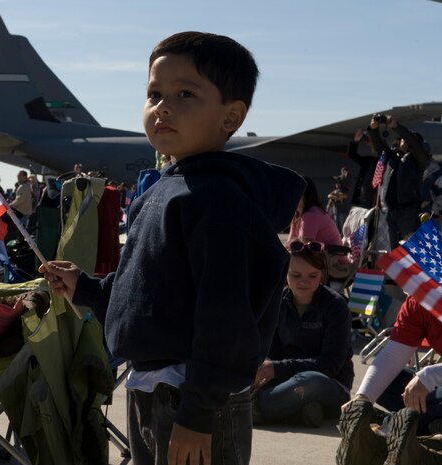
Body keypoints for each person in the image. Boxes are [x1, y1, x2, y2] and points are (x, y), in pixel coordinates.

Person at [40, 31, 304, 465]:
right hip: (152, 389)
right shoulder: (161, 190)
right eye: (154, 93)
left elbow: (226, 320)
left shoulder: (216, 200)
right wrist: (83, 288)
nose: (163, 105)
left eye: (185, 93)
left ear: (231, 117)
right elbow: (148, 297)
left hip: (194, 400)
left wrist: (198, 415)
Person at [336, 258, 442, 464]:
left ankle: (387, 431)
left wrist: (429, 376)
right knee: (387, 382)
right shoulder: (417, 300)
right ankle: (428, 426)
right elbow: (393, 354)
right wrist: (362, 399)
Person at [251, 239, 353, 428]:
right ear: (284, 273)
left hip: (329, 384)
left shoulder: (336, 306)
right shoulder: (277, 302)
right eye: (295, 275)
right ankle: (298, 411)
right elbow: (269, 352)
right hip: (285, 383)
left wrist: (276, 368)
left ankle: (254, 408)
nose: (304, 282)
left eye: (312, 275)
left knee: (311, 381)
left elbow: (330, 365)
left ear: (322, 274)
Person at [368, 114, 431, 249]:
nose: (403, 141)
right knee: (394, 249)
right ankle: (395, 271)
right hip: (391, 210)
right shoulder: (393, 157)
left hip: (408, 211)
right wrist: (373, 129)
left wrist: (397, 127)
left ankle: (413, 270)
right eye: (402, 139)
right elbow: (379, 146)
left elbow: (414, 144)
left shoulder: (419, 159)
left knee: (411, 248)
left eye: (406, 139)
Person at [287, 176, 343, 246]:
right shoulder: (297, 215)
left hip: (331, 255)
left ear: (307, 194)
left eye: (296, 193)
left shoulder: (310, 215)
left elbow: (304, 249)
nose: (291, 197)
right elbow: (289, 244)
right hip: (321, 255)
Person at [347, 129, 379, 208]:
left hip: (375, 202)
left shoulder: (385, 161)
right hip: (361, 200)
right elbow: (352, 154)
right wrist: (355, 142)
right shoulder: (369, 161)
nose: (371, 146)